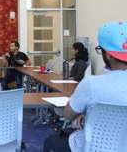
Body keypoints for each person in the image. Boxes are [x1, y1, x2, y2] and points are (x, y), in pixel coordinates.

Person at [44, 21, 127, 152]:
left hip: (93, 146)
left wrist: (82, 112)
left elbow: (68, 114)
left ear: (109, 54)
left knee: (51, 141)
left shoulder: (92, 84)